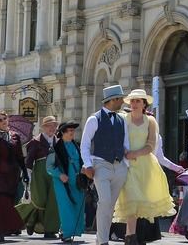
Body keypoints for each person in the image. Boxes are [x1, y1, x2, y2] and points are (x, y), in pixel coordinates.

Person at [115, 89, 175, 245]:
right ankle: (131, 236)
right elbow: (117, 140)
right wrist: (125, 153)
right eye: (132, 101)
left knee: (141, 203)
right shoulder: (123, 119)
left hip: (145, 165)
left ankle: (132, 237)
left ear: (144, 104)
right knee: (131, 199)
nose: (134, 104)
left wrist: (135, 153)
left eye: (138, 101)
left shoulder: (150, 121)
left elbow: (151, 146)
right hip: (127, 165)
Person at [81, 85, 131, 245]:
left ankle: (100, 238)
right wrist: (88, 165)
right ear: (113, 100)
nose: (123, 101)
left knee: (110, 206)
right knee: (105, 202)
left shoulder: (122, 120)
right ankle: (103, 241)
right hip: (100, 165)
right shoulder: (94, 119)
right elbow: (85, 144)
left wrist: (126, 165)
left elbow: (126, 144)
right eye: (121, 98)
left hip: (119, 167)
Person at [0, 111, 28, 242]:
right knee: (1, 201)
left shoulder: (15, 136)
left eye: (5, 118)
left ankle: (2, 227)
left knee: (8, 201)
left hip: (12, 175)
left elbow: (20, 157)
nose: (4, 121)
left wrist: (25, 173)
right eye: (0, 120)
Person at [17, 115, 61, 239]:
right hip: (40, 174)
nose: (52, 128)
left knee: (53, 201)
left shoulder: (58, 141)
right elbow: (29, 161)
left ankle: (50, 230)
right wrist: (27, 176)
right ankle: (21, 219)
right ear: (44, 127)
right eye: (50, 126)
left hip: (55, 173)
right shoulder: (35, 142)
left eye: (54, 126)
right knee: (38, 200)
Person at [48, 122, 86, 243]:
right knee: (66, 207)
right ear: (62, 133)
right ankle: (66, 233)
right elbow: (49, 167)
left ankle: (66, 230)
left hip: (78, 182)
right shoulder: (55, 148)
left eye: (73, 130)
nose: (72, 133)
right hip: (62, 182)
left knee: (78, 205)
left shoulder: (77, 145)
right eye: (69, 130)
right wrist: (60, 175)